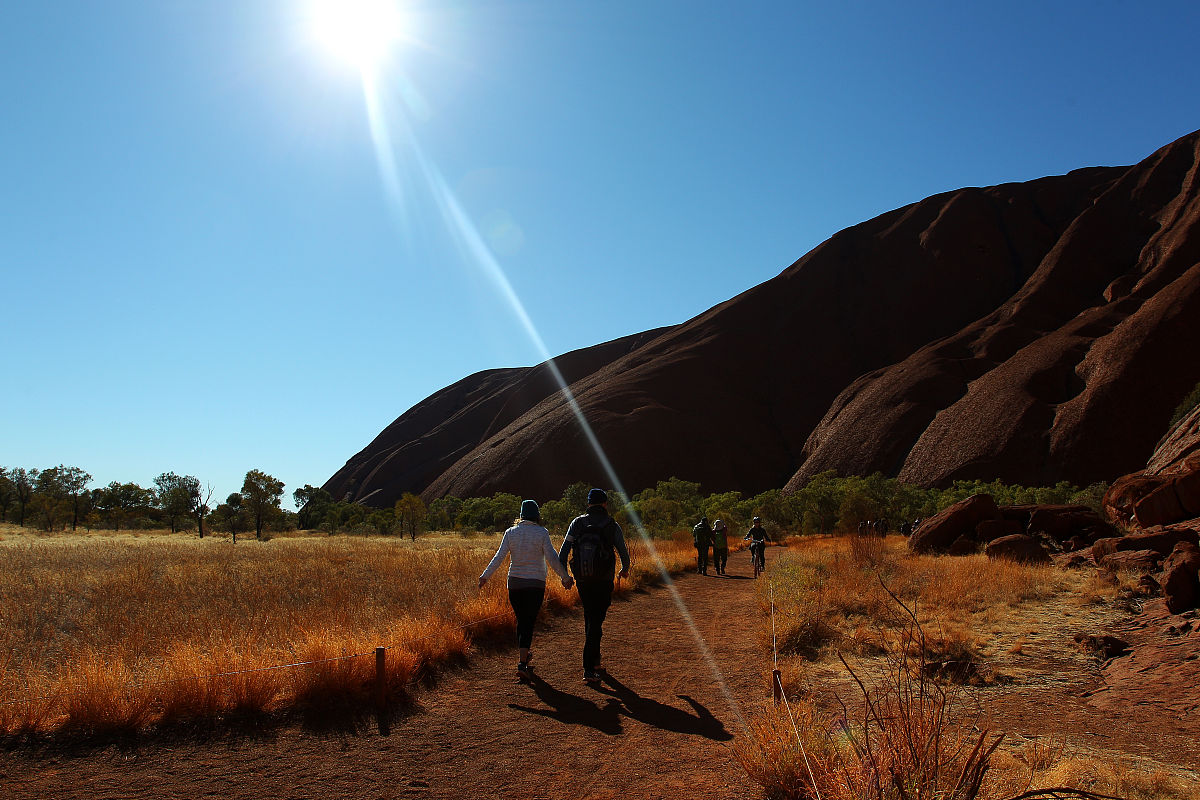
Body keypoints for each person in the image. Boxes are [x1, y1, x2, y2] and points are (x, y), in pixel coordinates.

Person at [479, 499, 573, 677]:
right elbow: (552, 558)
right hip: (535, 583)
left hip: (514, 583)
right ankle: (522, 662)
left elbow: (499, 557)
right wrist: (565, 577)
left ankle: (524, 655)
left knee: (522, 620)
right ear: (537, 515)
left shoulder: (511, 532)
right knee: (528, 621)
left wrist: (485, 576)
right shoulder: (541, 533)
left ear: (521, 515)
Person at [558, 488, 630, 685]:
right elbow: (623, 551)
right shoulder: (611, 524)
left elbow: (562, 554)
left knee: (590, 617)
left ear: (588, 503)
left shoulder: (577, 523)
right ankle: (589, 668)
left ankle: (595, 662)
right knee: (596, 620)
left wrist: (565, 577)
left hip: (582, 579)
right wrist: (624, 569)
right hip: (604, 579)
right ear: (605, 504)